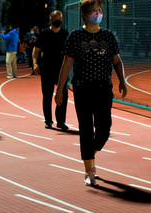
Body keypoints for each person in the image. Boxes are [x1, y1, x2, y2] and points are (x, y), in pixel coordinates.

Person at [55, 0, 127, 186]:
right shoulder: (76, 36)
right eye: (94, 11)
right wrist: (59, 90)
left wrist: (122, 79)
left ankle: (89, 153)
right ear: (85, 14)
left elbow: (117, 61)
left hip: (104, 88)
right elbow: (67, 64)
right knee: (86, 129)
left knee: (104, 129)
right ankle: (89, 171)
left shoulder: (108, 36)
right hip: (83, 88)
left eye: (100, 10)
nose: (98, 13)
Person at [33, 10, 69, 130]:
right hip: (47, 68)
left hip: (61, 69)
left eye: (59, 19)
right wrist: (35, 64)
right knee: (47, 95)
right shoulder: (44, 34)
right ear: (50, 20)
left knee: (63, 94)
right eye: (55, 19)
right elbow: (36, 50)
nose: (58, 21)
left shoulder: (65, 34)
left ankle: (61, 121)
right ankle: (48, 120)